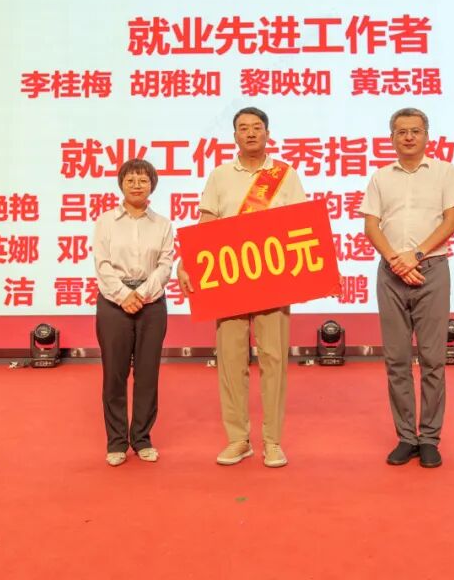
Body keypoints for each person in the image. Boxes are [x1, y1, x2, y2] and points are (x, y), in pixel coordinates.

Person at [178, 106, 307, 468]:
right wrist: (186, 262)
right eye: (243, 128)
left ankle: (273, 441)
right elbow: (206, 222)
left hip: (274, 279)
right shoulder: (220, 175)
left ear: (268, 133)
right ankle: (238, 439)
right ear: (234, 135)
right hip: (228, 279)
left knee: (274, 360)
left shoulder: (285, 175)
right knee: (231, 360)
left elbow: (301, 223)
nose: (250, 133)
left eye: (256, 127)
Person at [361, 108, 454, 469]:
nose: (408, 137)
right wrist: (395, 260)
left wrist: (415, 255)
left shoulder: (444, 172)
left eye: (416, 131)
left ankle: (430, 438)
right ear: (391, 137)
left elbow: (452, 221)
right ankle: (406, 437)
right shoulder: (380, 177)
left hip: (431, 270)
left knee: (434, 359)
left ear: (426, 136)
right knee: (397, 360)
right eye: (401, 131)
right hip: (391, 273)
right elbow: (371, 226)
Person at [93, 158, 174, 467]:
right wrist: (124, 295)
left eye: (143, 180)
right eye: (131, 180)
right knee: (114, 374)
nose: (137, 185)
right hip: (113, 304)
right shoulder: (106, 221)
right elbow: (102, 264)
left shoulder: (162, 224)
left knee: (147, 374)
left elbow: (165, 265)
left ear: (152, 185)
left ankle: (142, 438)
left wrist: (142, 294)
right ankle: (116, 442)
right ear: (121, 185)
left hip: (152, 305)